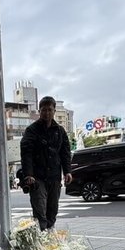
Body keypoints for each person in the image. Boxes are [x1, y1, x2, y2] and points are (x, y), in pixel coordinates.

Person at [20, 96, 72, 231]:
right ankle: (41, 240)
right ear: (39, 111)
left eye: (50, 110)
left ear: (54, 110)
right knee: (39, 211)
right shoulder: (32, 130)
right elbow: (26, 153)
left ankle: (50, 238)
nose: (47, 113)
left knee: (52, 211)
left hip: (54, 177)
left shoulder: (60, 131)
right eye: (44, 110)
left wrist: (67, 171)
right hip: (37, 177)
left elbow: (65, 152)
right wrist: (29, 174)